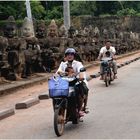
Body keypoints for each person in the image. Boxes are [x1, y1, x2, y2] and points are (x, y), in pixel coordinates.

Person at [56, 48, 89, 116]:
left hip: (76, 82)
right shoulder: (63, 64)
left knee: (82, 91)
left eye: (71, 54)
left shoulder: (78, 63)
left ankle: (80, 109)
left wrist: (81, 76)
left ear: (74, 56)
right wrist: (59, 74)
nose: (69, 56)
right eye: (68, 54)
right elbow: (58, 71)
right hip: (65, 83)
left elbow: (81, 70)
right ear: (66, 56)